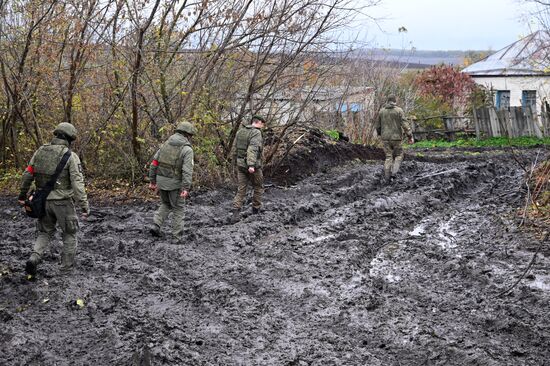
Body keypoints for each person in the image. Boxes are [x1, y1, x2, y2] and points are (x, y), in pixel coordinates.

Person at [18, 122, 90, 276]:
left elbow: (27, 175)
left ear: (56, 135)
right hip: (63, 202)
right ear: (70, 139)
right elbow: (78, 184)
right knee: (70, 234)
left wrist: (22, 196)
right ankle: (66, 270)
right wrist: (84, 205)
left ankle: (34, 258)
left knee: (44, 232)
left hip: (42, 201)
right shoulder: (71, 156)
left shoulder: (40, 151)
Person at [148, 120, 195, 241]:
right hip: (175, 184)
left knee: (166, 204)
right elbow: (187, 170)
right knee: (178, 208)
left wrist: (152, 181)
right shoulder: (187, 150)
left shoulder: (165, 144)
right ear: (188, 135)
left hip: (161, 181)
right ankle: (176, 237)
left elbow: (154, 163)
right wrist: (185, 188)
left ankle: (156, 224)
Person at [231, 115, 266, 223]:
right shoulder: (256, 132)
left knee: (241, 188)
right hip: (252, 166)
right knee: (258, 186)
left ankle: (236, 212)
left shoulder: (241, 131)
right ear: (259, 122)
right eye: (262, 124)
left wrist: (235, 162)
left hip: (240, 164)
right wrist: (251, 165)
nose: (262, 127)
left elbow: (235, 148)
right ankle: (256, 209)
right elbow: (253, 148)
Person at [375, 95, 414, 184]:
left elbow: (378, 126)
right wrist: (410, 136)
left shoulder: (381, 111)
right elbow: (405, 124)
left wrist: (380, 134)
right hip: (396, 138)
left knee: (388, 157)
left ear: (387, 101)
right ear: (395, 101)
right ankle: (394, 173)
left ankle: (387, 178)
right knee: (399, 155)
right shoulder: (399, 110)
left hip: (385, 138)